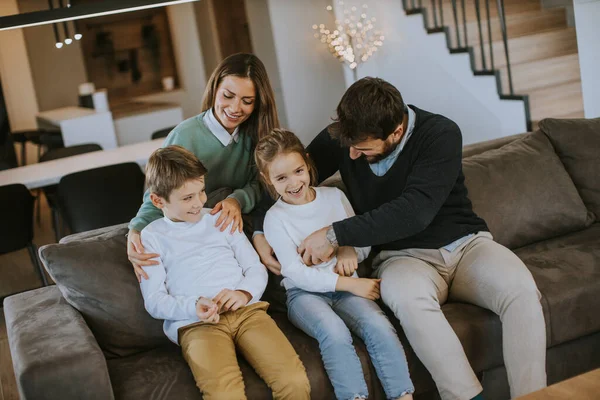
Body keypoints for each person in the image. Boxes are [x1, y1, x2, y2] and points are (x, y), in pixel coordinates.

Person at [252, 78, 546, 400]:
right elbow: (287, 176)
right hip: (402, 258)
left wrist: (336, 234)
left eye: (362, 149)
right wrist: (256, 229)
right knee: (409, 302)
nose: (350, 154)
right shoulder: (345, 136)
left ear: (394, 133)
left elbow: (415, 211)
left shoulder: (440, 134)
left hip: (466, 246)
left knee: (521, 292)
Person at [138, 145, 310, 399]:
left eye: (201, 192)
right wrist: (193, 305)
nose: (199, 203)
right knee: (224, 395)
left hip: (247, 312)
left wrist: (243, 292)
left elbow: (255, 268)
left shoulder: (220, 218)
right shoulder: (151, 237)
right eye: (187, 198)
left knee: (294, 381)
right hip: (197, 324)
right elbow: (154, 301)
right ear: (158, 200)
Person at [256, 129, 414, 400]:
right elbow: (295, 272)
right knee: (335, 333)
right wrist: (350, 283)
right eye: (281, 178)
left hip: (347, 290)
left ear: (307, 163)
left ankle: (403, 396)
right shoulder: (275, 218)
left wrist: (348, 249)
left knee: (379, 325)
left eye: (298, 171)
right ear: (267, 180)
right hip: (304, 296)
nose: (293, 183)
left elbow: (361, 239)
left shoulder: (334, 197)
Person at [128, 53, 279, 281]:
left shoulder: (255, 135)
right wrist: (136, 230)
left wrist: (236, 200)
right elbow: (158, 193)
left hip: (238, 231)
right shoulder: (185, 135)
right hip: (198, 235)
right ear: (215, 88)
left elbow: (260, 184)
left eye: (247, 101)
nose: (235, 108)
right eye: (228, 96)